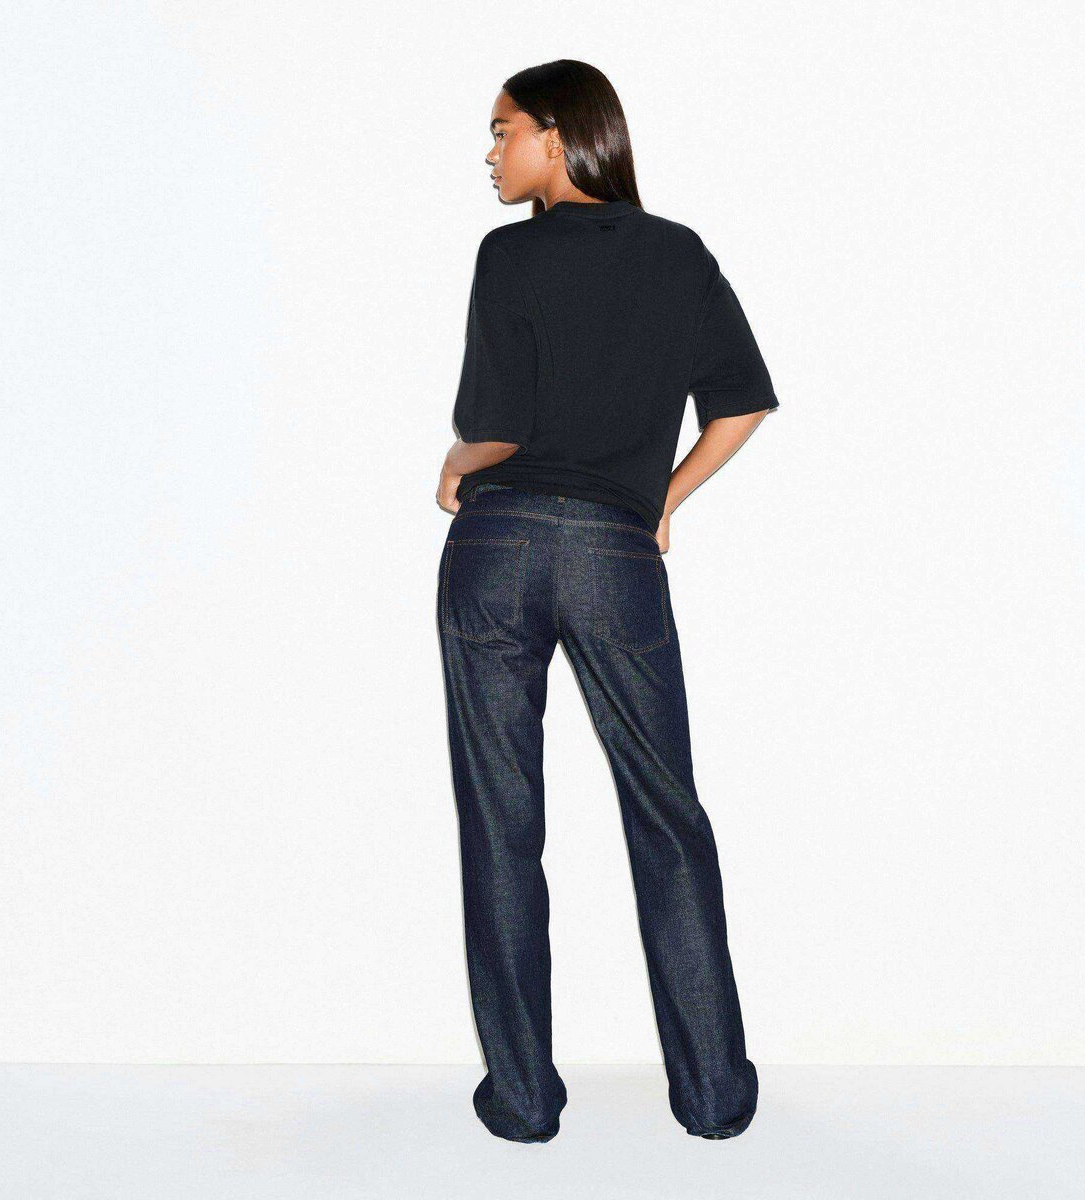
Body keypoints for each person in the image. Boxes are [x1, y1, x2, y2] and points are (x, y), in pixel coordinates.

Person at [435, 59, 778, 1143]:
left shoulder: (507, 255)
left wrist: (453, 465)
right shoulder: (678, 255)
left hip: (496, 549)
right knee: (668, 814)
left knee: (502, 824)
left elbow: (496, 426)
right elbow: (741, 406)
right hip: (612, 556)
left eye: (502, 131)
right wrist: (658, 500)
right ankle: (714, 1096)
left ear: (558, 133)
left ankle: (523, 1100)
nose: (491, 153)